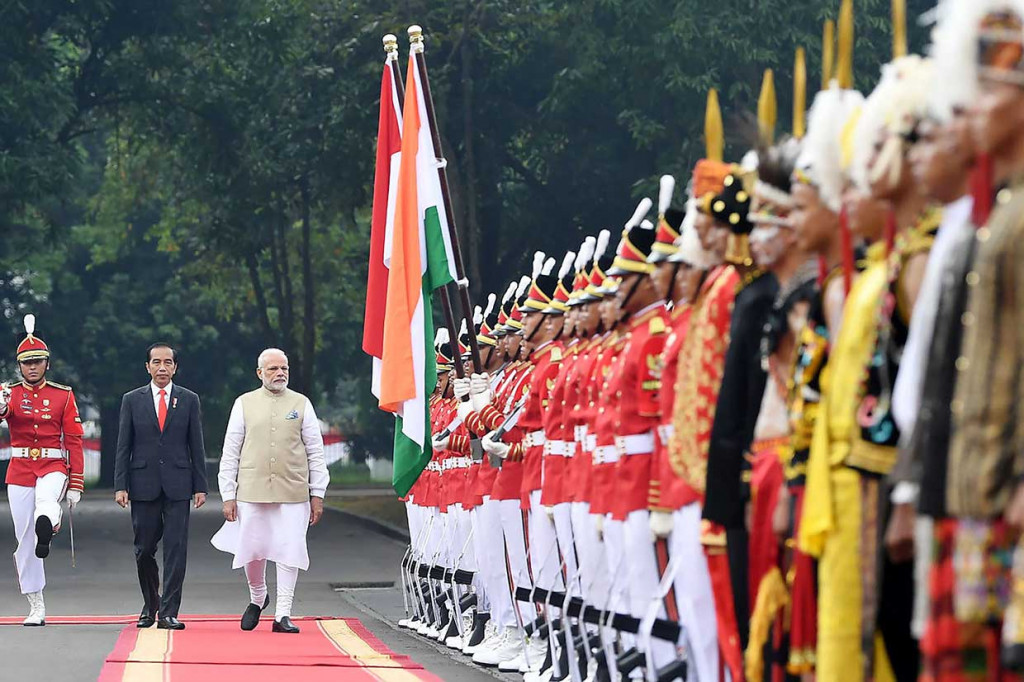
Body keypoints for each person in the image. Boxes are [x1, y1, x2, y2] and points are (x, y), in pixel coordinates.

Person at [212, 348, 329, 634]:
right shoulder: (244, 403)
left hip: (293, 490)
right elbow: (231, 452)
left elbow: (315, 451)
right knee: (252, 549)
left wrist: (318, 493)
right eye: (273, 369)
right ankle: (257, 597)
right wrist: (227, 494)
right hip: (251, 490)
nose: (280, 374)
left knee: (289, 549)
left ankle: (283, 614)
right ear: (260, 373)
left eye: (284, 369)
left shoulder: (301, 404)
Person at [114, 342, 209, 630]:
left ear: (175, 367)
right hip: (143, 483)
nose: (162, 368)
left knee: (176, 549)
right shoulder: (132, 400)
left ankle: (169, 611)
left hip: (179, 484)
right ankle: (150, 603)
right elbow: (123, 445)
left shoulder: (189, 399)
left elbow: (197, 444)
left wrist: (200, 485)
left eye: (168, 362)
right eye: (156, 362)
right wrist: (121, 484)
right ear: (147, 367)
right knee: (143, 549)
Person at [1, 315, 85, 626]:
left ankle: (48, 522)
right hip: (20, 467)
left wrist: (76, 482)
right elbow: (3, 413)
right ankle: (36, 603)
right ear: (19, 366)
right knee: (24, 538)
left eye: (38, 362)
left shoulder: (63, 394)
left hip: (52, 464)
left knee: (48, 499)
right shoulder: (10, 393)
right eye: (27, 363)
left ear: (46, 364)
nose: (32, 367)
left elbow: (74, 440)